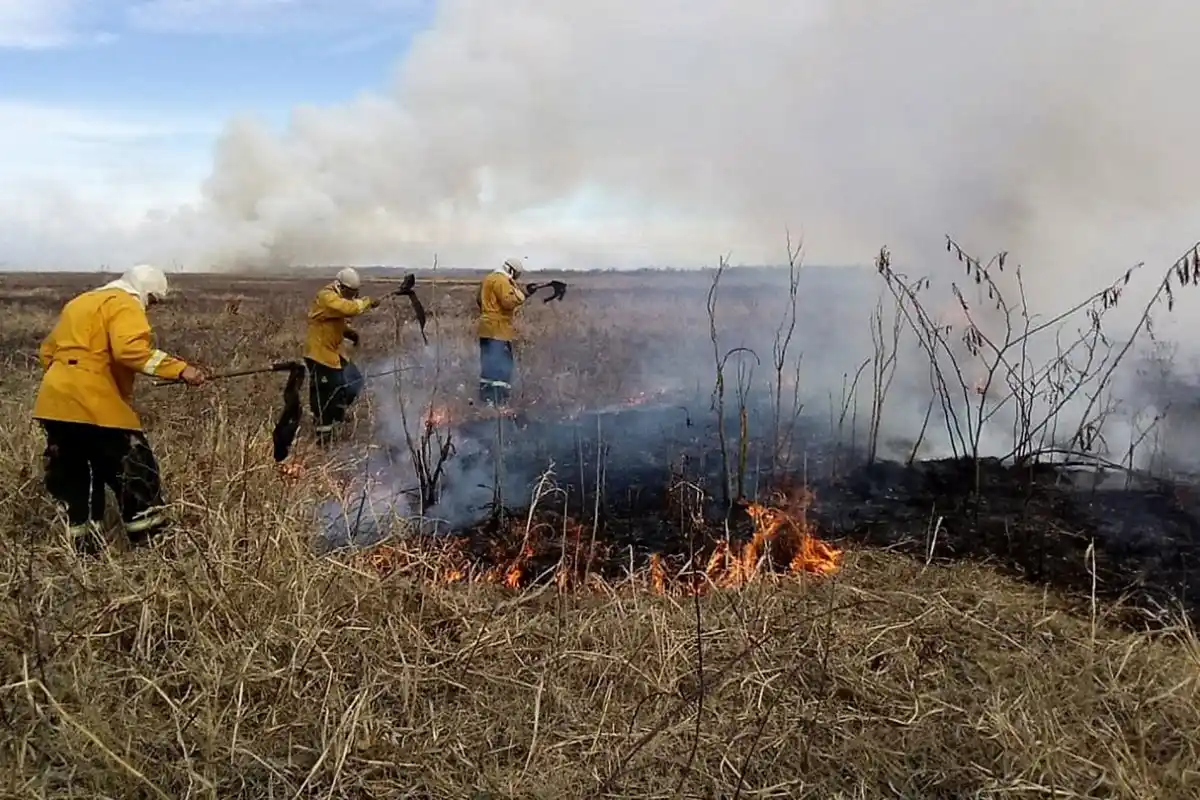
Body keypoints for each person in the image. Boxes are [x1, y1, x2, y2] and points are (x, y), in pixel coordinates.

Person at [32, 264, 207, 554]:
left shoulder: (80, 303)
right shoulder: (125, 303)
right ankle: (152, 545)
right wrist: (181, 370)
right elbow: (130, 350)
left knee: (78, 478)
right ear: (146, 292)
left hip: (54, 402)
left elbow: (47, 352)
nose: (150, 308)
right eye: (152, 301)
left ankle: (84, 550)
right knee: (136, 470)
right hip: (93, 403)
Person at [304, 267, 380, 442]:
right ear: (340, 286)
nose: (351, 295)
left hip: (334, 354)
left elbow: (334, 321)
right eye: (350, 292)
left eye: (354, 293)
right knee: (326, 395)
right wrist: (367, 302)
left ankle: (337, 415)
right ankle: (323, 435)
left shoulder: (336, 299)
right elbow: (347, 309)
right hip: (319, 355)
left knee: (354, 381)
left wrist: (349, 333)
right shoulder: (326, 296)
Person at [476, 257, 528, 406]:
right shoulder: (502, 281)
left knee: (488, 365)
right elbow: (508, 301)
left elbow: (479, 299)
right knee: (503, 366)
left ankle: (486, 400)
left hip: (486, 328)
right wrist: (520, 294)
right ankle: (499, 402)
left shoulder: (489, 278)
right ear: (511, 270)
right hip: (498, 330)